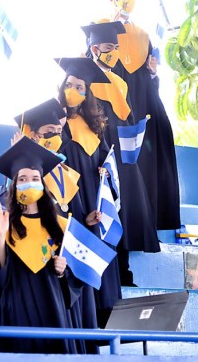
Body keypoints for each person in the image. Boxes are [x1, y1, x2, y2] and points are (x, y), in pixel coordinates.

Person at [95, 0, 181, 232]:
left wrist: (153, 74)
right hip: (111, 109)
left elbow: (147, 82)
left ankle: (148, 219)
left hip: (140, 109)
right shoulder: (100, 29)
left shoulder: (144, 35)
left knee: (158, 136)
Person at [0, 137, 83, 353]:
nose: (29, 182)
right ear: (15, 185)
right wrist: (1, 236)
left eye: (35, 178)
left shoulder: (61, 226)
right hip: (17, 311)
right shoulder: (3, 222)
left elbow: (75, 283)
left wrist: (62, 271)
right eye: (23, 178)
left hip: (53, 311)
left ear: (42, 182)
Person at [82, 21, 160, 286]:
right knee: (99, 208)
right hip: (93, 154)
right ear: (94, 48)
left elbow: (125, 117)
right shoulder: (84, 81)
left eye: (115, 47)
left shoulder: (119, 82)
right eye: (107, 47)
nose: (113, 52)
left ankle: (122, 270)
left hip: (118, 156)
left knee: (122, 208)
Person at [55, 56, 123, 328]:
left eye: (80, 87)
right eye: (70, 84)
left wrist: (106, 174)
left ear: (87, 94)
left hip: (92, 208)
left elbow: (109, 165)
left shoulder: (94, 127)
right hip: (69, 205)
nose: (74, 90)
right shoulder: (55, 124)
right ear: (62, 86)